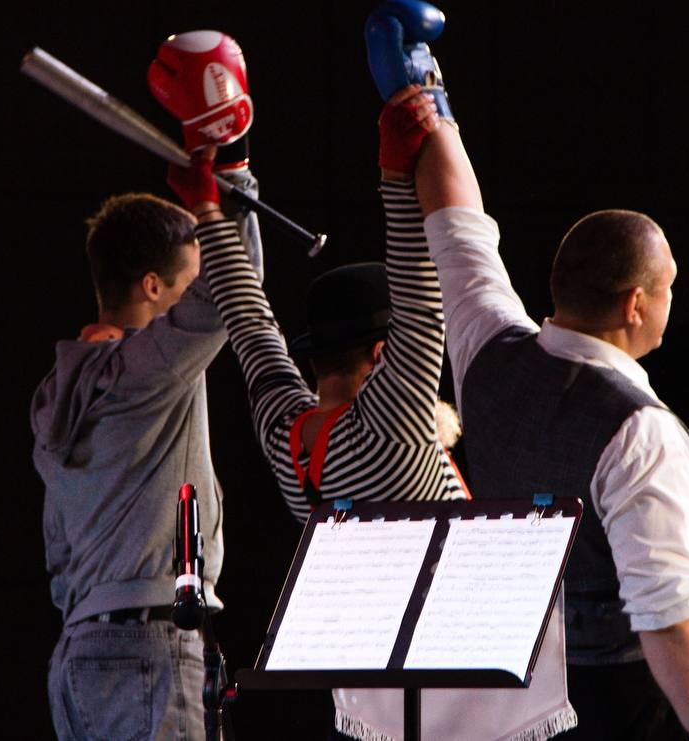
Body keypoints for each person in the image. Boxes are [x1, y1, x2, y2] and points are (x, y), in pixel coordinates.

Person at [173, 84, 577, 740]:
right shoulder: (392, 426)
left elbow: (249, 319)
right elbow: (422, 294)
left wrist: (207, 209)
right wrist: (394, 168)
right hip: (468, 692)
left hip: (379, 700)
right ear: (385, 355)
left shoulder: (287, 437)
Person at [386, 28, 689, 738]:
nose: (672, 298)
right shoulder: (639, 431)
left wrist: (424, 98)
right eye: (669, 286)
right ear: (636, 305)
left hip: (522, 692)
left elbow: (456, 228)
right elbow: (672, 613)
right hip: (619, 704)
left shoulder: (487, 348)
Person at [29, 30, 260, 741]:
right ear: (153, 286)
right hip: (149, 649)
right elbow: (235, 294)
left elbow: (59, 556)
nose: (198, 287)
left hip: (80, 654)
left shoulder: (56, 393)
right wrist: (233, 174)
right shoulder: (144, 374)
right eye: (188, 279)